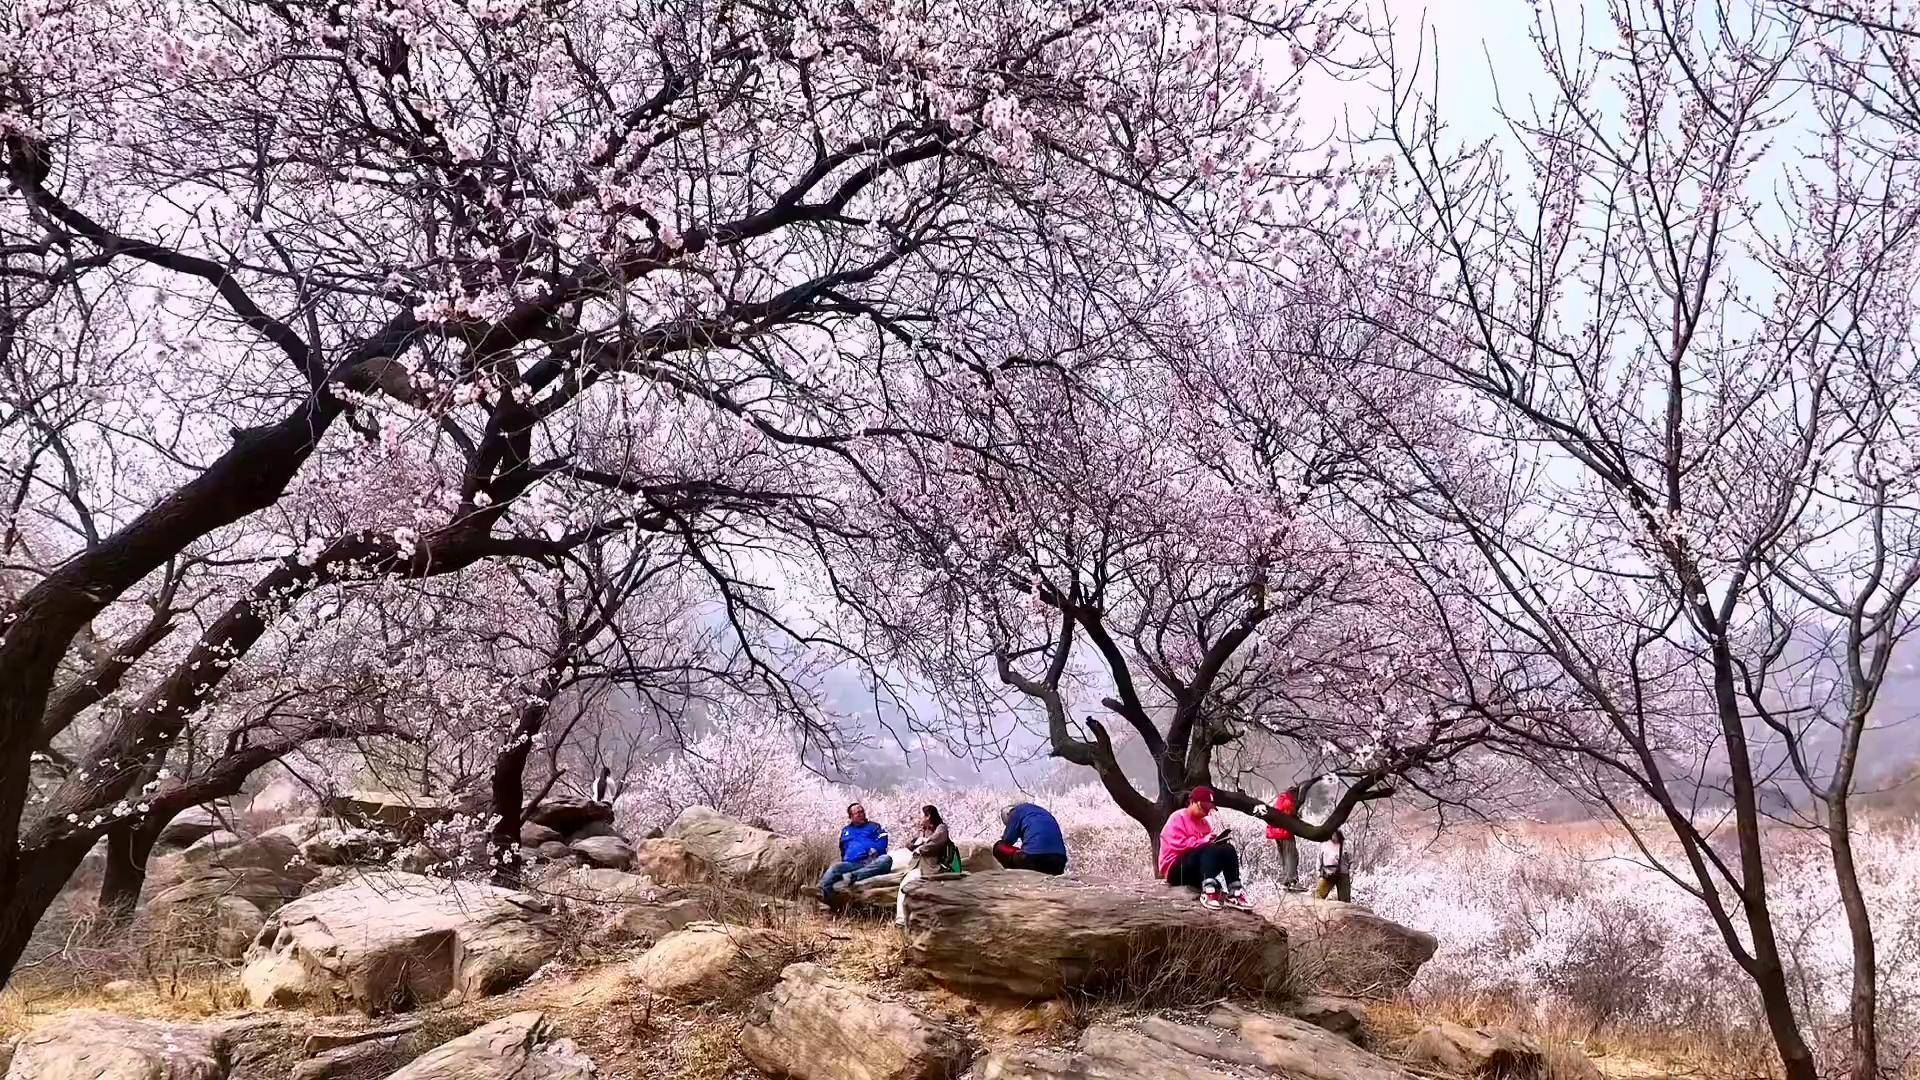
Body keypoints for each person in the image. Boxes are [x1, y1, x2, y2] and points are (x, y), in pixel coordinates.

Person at [1157, 785, 1251, 910]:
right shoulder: (1177, 818)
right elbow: (1178, 845)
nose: (1206, 812)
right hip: (1175, 869)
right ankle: (1209, 891)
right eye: (1204, 807)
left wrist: (1215, 843)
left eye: (1209, 809)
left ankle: (1235, 891)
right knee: (1208, 848)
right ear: (1192, 802)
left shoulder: (1204, 823)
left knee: (1227, 849)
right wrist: (1204, 841)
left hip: (1196, 869)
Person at [820, 802, 891, 906]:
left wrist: (876, 849)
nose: (862, 814)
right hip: (853, 864)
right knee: (835, 867)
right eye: (858, 813)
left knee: (886, 859)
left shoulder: (875, 826)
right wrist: (845, 861)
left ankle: (853, 876)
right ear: (851, 816)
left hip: (872, 862)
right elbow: (843, 849)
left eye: (862, 811)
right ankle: (822, 892)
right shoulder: (846, 830)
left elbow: (883, 842)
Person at [896, 804, 954, 926]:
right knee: (905, 885)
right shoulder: (924, 831)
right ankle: (902, 919)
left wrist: (922, 845)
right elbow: (910, 845)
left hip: (931, 865)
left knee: (911, 885)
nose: (921, 818)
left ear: (929, 816)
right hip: (917, 865)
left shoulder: (941, 828)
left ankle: (905, 919)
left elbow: (934, 844)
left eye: (923, 816)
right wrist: (919, 838)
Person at [994, 802, 1068, 874]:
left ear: (1008, 814)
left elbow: (1007, 840)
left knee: (999, 846)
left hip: (1034, 859)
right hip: (1059, 861)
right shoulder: (1041, 812)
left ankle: (1008, 878)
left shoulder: (1015, 812)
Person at [1266, 784, 1302, 891]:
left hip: (1276, 832)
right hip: (1285, 831)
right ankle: (1292, 880)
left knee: (1284, 856)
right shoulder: (1289, 801)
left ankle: (1285, 879)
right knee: (1292, 855)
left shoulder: (1281, 799)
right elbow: (1290, 815)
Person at [1314, 829, 1352, 901]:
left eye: (1335, 835)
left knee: (1345, 899)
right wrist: (1318, 871)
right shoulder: (1324, 845)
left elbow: (1351, 860)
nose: (1333, 837)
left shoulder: (1345, 845)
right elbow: (1319, 858)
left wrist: (1348, 868)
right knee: (1318, 896)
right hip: (1327, 873)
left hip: (1343, 873)